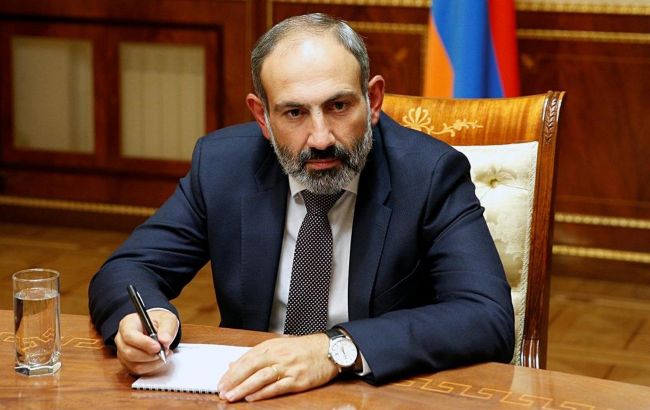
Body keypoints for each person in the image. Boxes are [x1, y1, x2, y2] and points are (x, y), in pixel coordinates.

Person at [89, 13, 514, 402]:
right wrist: (143, 319)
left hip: (374, 393)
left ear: (373, 100)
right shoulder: (222, 166)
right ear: (262, 117)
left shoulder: (429, 174)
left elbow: (486, 317)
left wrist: (335, 349)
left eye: (338, 106)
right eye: (294, 113)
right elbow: (127, 269)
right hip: (251, 393)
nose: (321, 137)